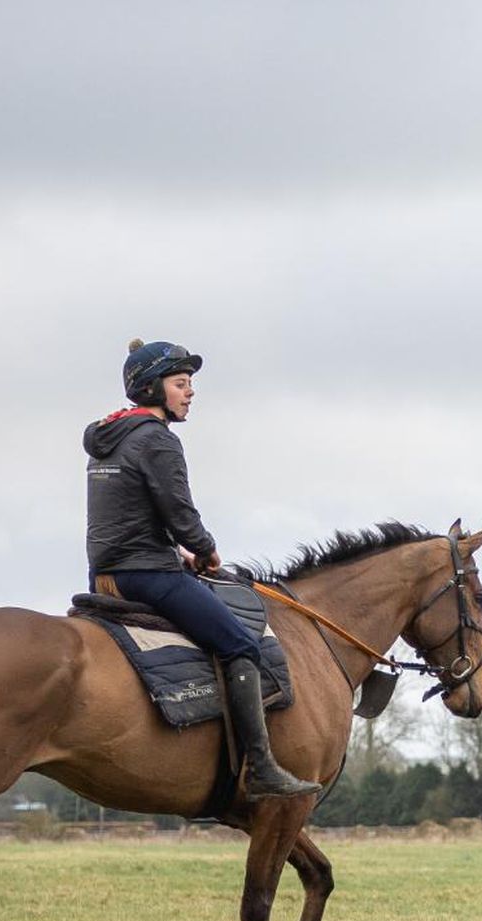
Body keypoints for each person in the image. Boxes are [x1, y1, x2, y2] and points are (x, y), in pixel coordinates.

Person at [85, 339, 313, 799]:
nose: (190, 393)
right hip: (147, 575)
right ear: (152, 389)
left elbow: (133, 514)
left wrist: (178, 553)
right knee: (240, 645)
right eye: (180, 383)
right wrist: (204, 550)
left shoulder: (111, 439)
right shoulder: (157, 440)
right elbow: (179, 510)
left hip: (110, 572)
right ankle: (261, 766)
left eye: (190, 384)